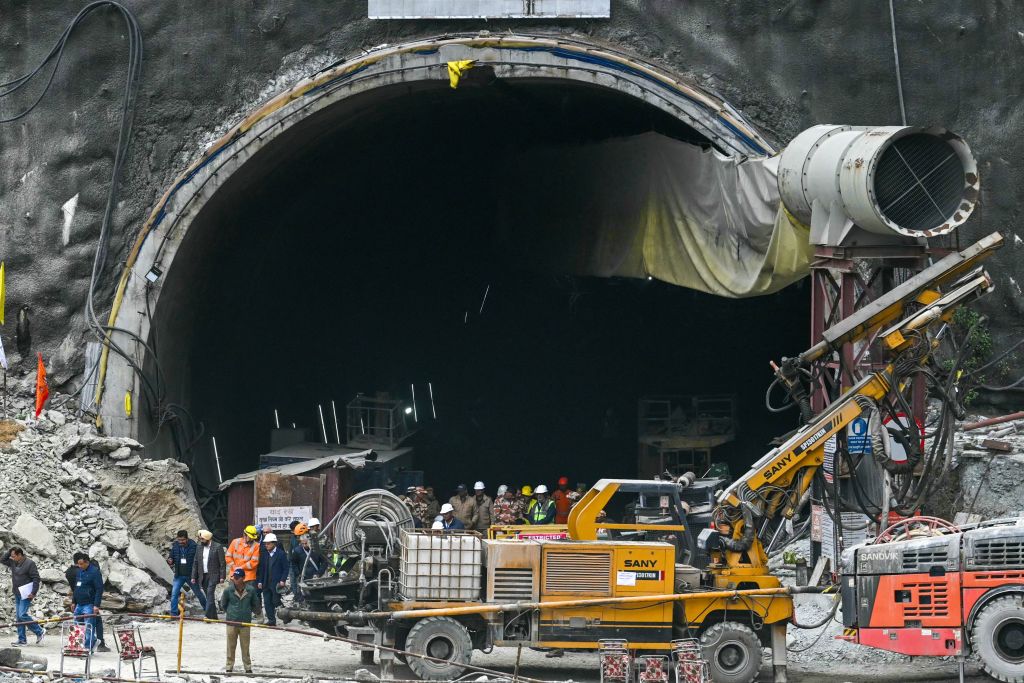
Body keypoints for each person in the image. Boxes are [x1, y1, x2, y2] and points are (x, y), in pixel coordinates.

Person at [1, 547, 44, 646]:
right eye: (11, 556)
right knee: (19, 618)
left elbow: (36, 578)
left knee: (22, 615)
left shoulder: (30, 563)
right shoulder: (13, 562)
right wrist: (10, 551)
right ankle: (22, 640)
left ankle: (39, 631)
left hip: (26, 594)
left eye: (14, 556)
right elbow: (2, 560)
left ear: (20, 555)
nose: (12, 558)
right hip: (17, 593)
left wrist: (33, 592)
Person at [64, 557, 108, 651]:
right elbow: (76, 587)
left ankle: (88, 648)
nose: (79, 566)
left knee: (88, 626)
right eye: (78, 564)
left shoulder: (95, 572)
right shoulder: (80, 571)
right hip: (79, 604)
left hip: (89, 604)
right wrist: (73, 601)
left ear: (87, 562)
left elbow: (99, 589)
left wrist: (96, 605)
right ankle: (77, 646)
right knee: (77, 625)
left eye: (81, 564)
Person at [220, 569, 257, 674]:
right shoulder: (228, 590)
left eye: (237, 577)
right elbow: (223, 605)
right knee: (230, 647)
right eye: (234, 577)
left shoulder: (251, 590)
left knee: (245, 647)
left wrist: (255, 614)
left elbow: (255, 604)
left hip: (245, 623)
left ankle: (248, 668)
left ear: (243, 578)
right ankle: (229, 667)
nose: (235, 579)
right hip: (231, 622)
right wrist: (231, 613)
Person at [226, 525, 263, 617]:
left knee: (250, 598)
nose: (251, 539)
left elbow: (254, 562)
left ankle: (259, 615)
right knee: (233, 596)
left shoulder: (256, 546)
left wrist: (241, 568)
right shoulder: (235, 542)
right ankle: (235, 615)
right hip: (234, 576)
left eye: (252, 537)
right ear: (244, 534)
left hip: (248, 577)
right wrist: (234, 567)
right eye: (250, 537)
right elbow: (228, 556)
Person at [191, 530, 226, 620]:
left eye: (202, 539)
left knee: (210, 594)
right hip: (203, 575)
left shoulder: (217, 547)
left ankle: (207, 615)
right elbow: (196, 562)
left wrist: (222, 577)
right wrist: (193, 576)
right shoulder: (199, 547)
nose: (201, 541)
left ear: (208, 539)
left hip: (214, 575)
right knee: (208, 596)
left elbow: (222, 563)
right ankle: (214, 616)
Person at [256, 533, 288, 626]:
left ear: (274, 543)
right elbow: (261, 568)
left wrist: (283, 580)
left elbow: (286, 568)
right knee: (267, 602)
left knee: (276, 601)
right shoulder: (264, 554)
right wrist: (260, 581)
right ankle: (271, 620)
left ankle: (286, 615)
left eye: (268, 543)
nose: (266, 545)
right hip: (266, 582)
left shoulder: (281, 554)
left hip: (276, 582)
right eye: (265, 544)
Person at [168, 530, 201, 616]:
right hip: (179, 575)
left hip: (191, 576)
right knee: (174, 594)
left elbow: (198, 561)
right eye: (179, 540)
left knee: (199, 594)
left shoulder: (194, 546)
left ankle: (208, 612)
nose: (181, 542)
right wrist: (170, 560)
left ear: (187, 538)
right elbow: (171, 557)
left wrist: (196, 574)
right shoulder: (175, 546)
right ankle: (174, 614)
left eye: (182, 540)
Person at [290, 532, 325, 596]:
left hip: (316, 577)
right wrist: (298, 573)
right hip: (304, 577)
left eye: (306, 543)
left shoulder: (316, 550)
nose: (304, 545)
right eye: (302, 543)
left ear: (309, 542)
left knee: (317, 594)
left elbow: (324, 562)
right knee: (304, 595)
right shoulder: (297, 551)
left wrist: (319, 573)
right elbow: (294, 563)